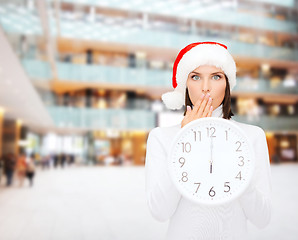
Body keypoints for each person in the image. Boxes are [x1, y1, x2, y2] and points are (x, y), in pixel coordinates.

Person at [145, 42, 272, 240]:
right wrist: (184, 143)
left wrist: (239, 174)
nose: (205, 88)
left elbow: (262, 218)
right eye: (195, 77)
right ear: (185, 84)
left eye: (216, 76)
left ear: (227, 83)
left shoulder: (252, 136)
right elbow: (159, 211)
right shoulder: (161, 138)